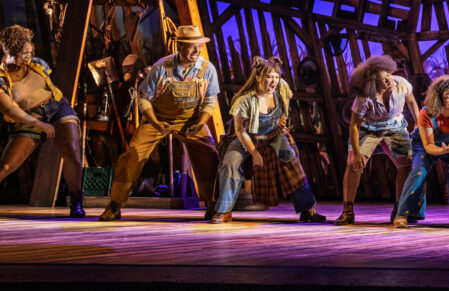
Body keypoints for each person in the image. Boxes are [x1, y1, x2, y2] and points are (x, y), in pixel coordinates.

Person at [100, 24, 220, 221]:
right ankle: (114, 205)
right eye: (192, 46)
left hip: (191, 121)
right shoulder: (161, 67)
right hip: (158, 118)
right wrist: (155, 122)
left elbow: (210, 101)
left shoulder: (208, 69)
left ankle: (213, 204)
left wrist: (200, 123)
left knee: (210, 154)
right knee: (132, 155)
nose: (196, 50)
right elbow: (143, 97)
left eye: (199, 46)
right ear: (180, 46)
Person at [210, 56, 325, 224]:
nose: (274, 81)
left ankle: (307, 209)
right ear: (258, 77)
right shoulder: (244, 100)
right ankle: (224, 210)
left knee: (289, 156)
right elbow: (240, 131)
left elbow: (285, 108)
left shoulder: (281, 88)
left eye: (276, 77)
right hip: (245, 137)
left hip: (272, 134)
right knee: (230, 162)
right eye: (269, 77)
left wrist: (282, 124)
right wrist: (255, 154)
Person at [0, 25, 85, 217]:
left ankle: (76, 201)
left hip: (57, 108)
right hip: (30, 117)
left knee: (72, 152)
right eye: (21, 54)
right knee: (6, 166)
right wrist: (38, 123)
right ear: (7, 51)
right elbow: (10, 110)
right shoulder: (1, 79)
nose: (26, 57)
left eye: (28, 52)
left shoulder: (37, 63)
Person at [337, 54, 419, 225]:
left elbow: (411, 101)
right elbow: (354, 126)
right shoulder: (364, 97)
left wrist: (418, 122)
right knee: (354, 165)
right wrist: (357, 154)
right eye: (383, 80)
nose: (389, 80)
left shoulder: (401, 84)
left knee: (407, 165)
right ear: (372, 82)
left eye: (389, 75)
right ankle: (347, 211)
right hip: (369, 128)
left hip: (394, 125)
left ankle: (399, 209)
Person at [393, 75, 449, 228]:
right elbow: (428, 146)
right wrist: (442, 150)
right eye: (448, 96)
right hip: (425, 144)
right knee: (419, 171)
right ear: (439, 98)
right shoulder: (426, 113)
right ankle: (402, 214)